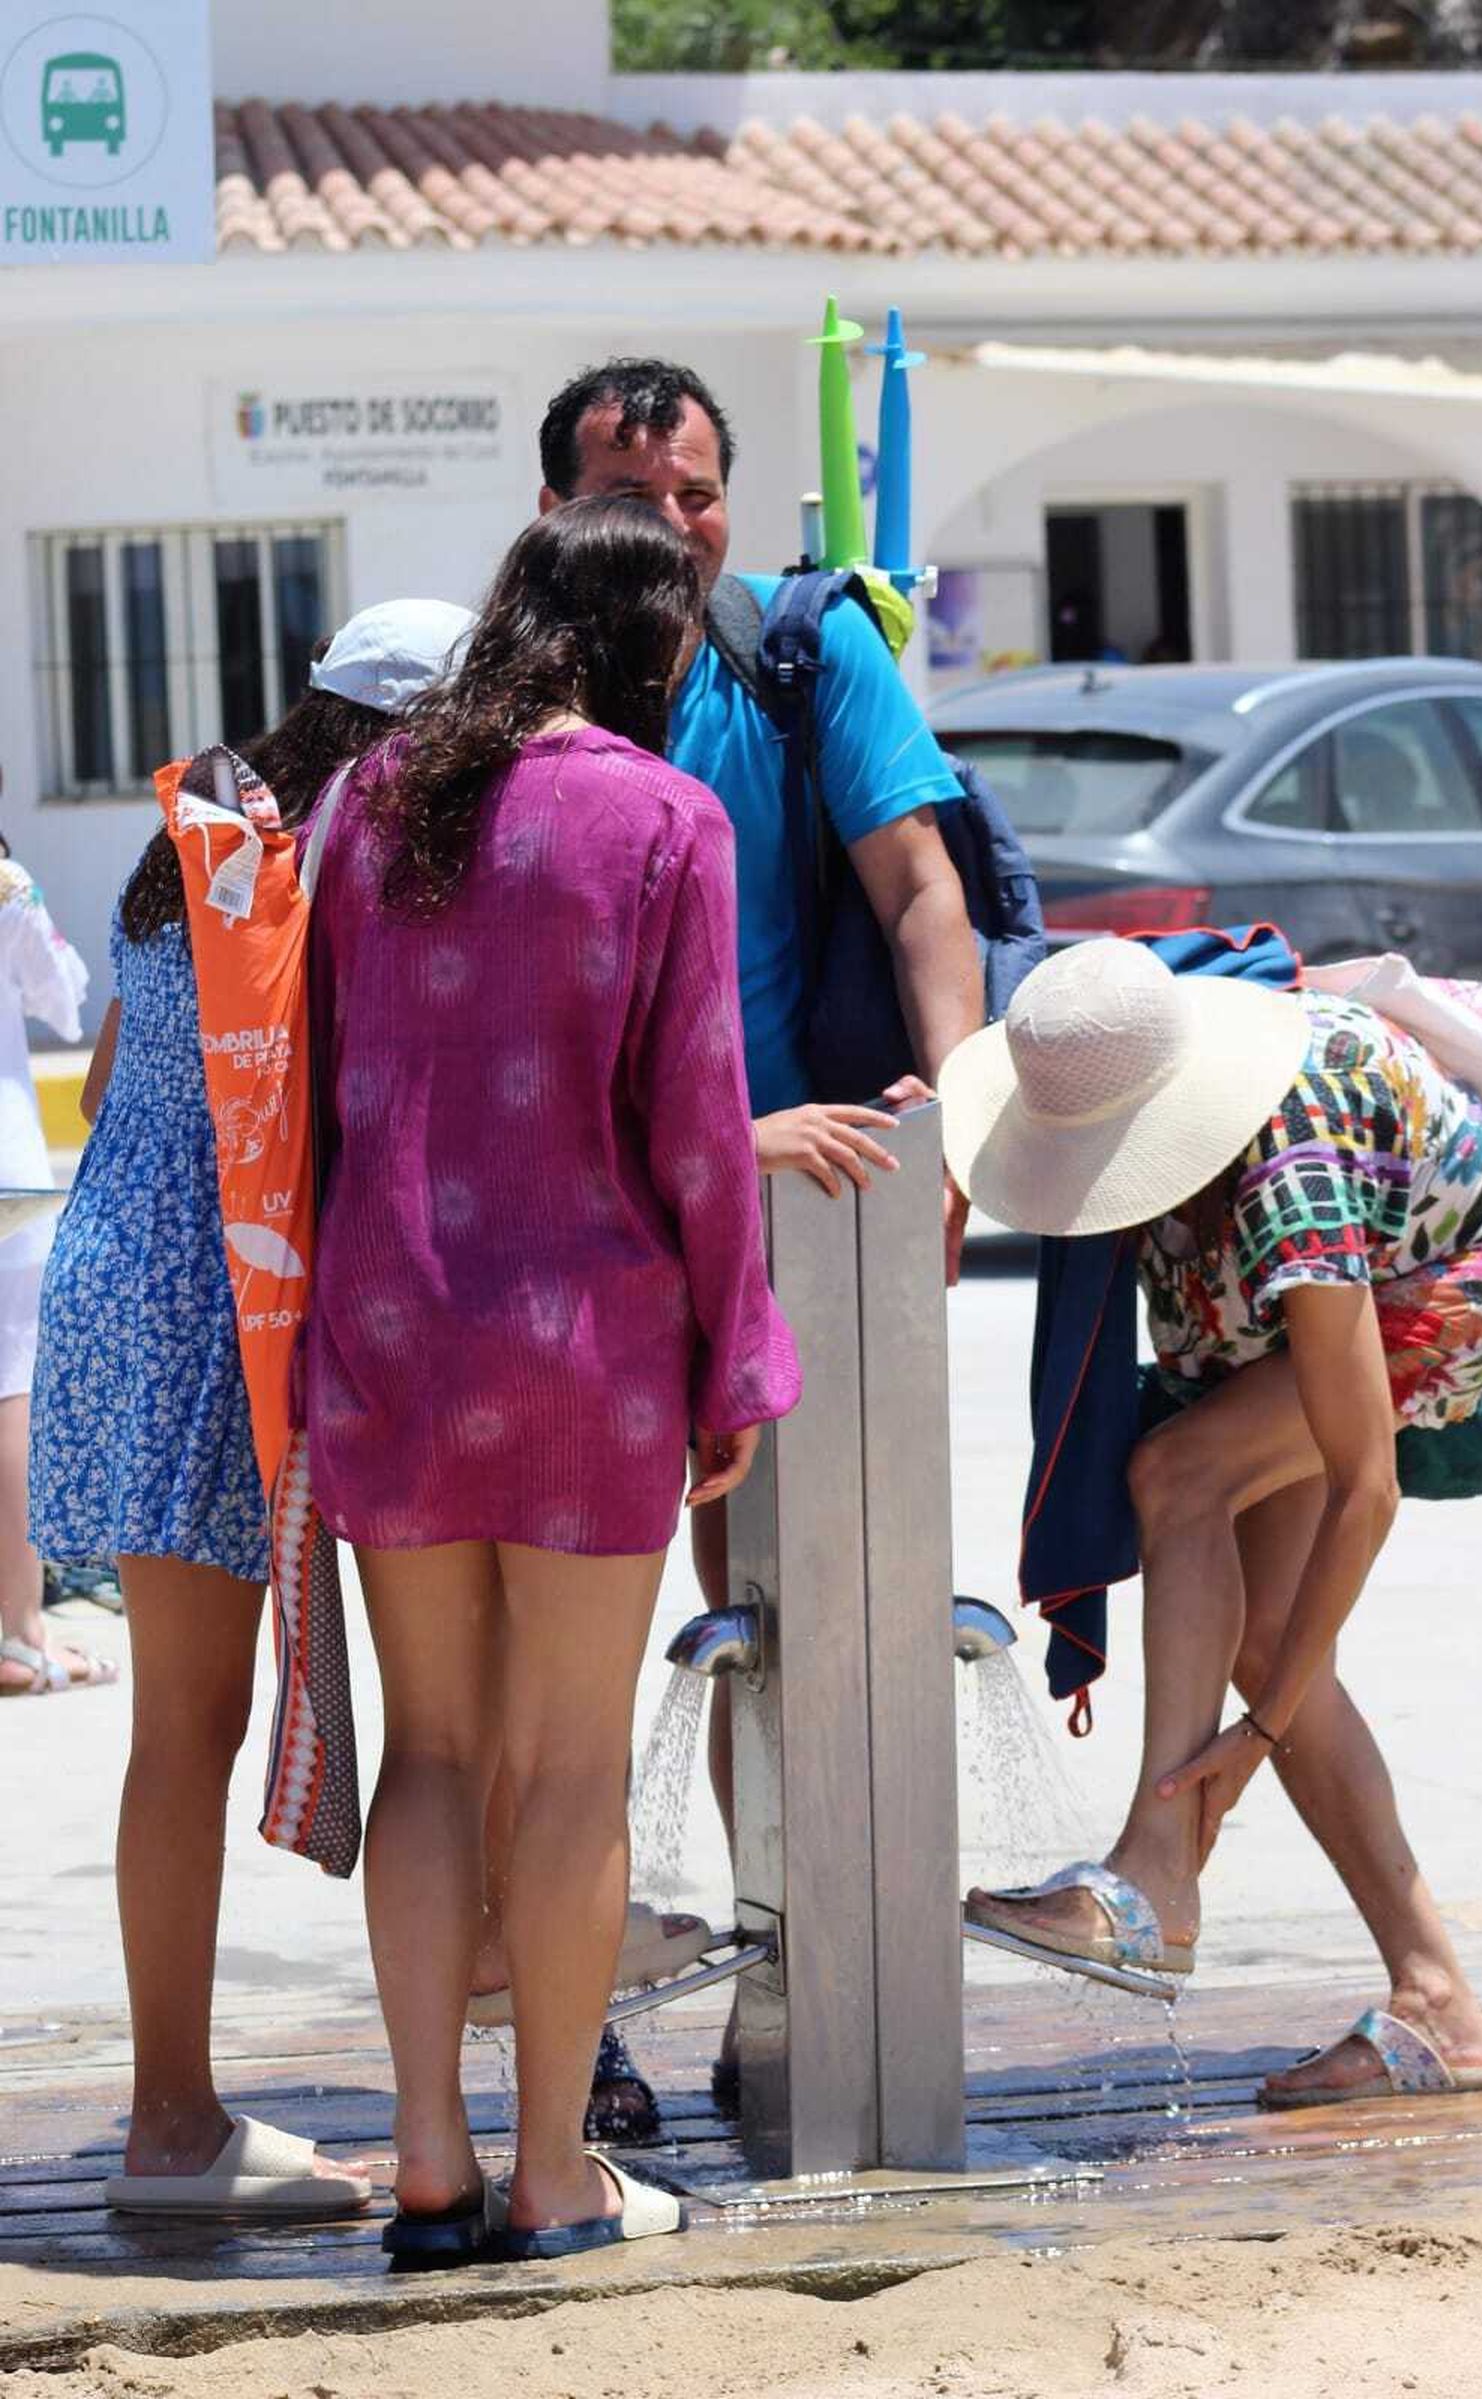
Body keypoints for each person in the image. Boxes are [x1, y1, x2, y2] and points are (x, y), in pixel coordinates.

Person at [467, 358, 985, 2114]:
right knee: (553, 1668)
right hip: (584, 1242)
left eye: (697, 494)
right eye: (633, 498)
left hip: (801, 1215)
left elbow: (923, 889)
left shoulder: (804, 655)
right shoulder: (506, 707)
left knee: (787, 1621)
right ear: (556, 514)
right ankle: (571, 2032)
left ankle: (794, 2005)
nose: (674, 529)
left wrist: (955, 1106)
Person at [304, 496, 799, 2264]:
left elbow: (317, 1079)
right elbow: (702, 1126)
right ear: (652, 645)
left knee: (432, 1750)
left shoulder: (370, 799)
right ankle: (555, 2171)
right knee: (574, 1769)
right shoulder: (663, 815)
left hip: (387, 1329)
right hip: (587, 1343)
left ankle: (428, 2159)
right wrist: (740, 1357)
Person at [27, 599, 472, 2212]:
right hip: (223, 1291)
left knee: (177, 1720)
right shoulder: (336, 865)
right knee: (205, 1721)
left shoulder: (202, 837)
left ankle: (177, 2107)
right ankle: (169, 2120)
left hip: (113, 1272)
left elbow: (115, 1067)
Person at [949, 939, 1482, 2108]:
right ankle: (1436, 1999)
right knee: (1264, 1631)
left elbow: (1363, 1484)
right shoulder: (1124, 1068)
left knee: (1179, 1477)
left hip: (1454, 1273)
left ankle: (1152, 1873)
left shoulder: (1293, 1173)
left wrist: (1262, 1728)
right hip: (1290, 1269)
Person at [0, 833, 104, 1697]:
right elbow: (65, 1001)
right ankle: (19, 1630)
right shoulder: (6, 885)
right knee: (11, 1390)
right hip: (7, 1169)